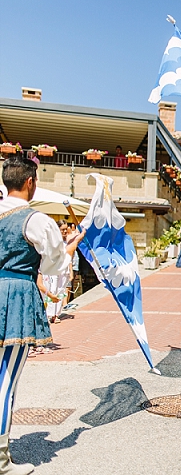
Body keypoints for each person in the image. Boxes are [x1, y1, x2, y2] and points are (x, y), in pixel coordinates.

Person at [0, 156, 85, 474]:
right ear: (30, 182)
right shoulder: (36, 220)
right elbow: (54, 267)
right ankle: (0, 458)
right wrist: (72, 246)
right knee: (6, 377)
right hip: (15, 293)